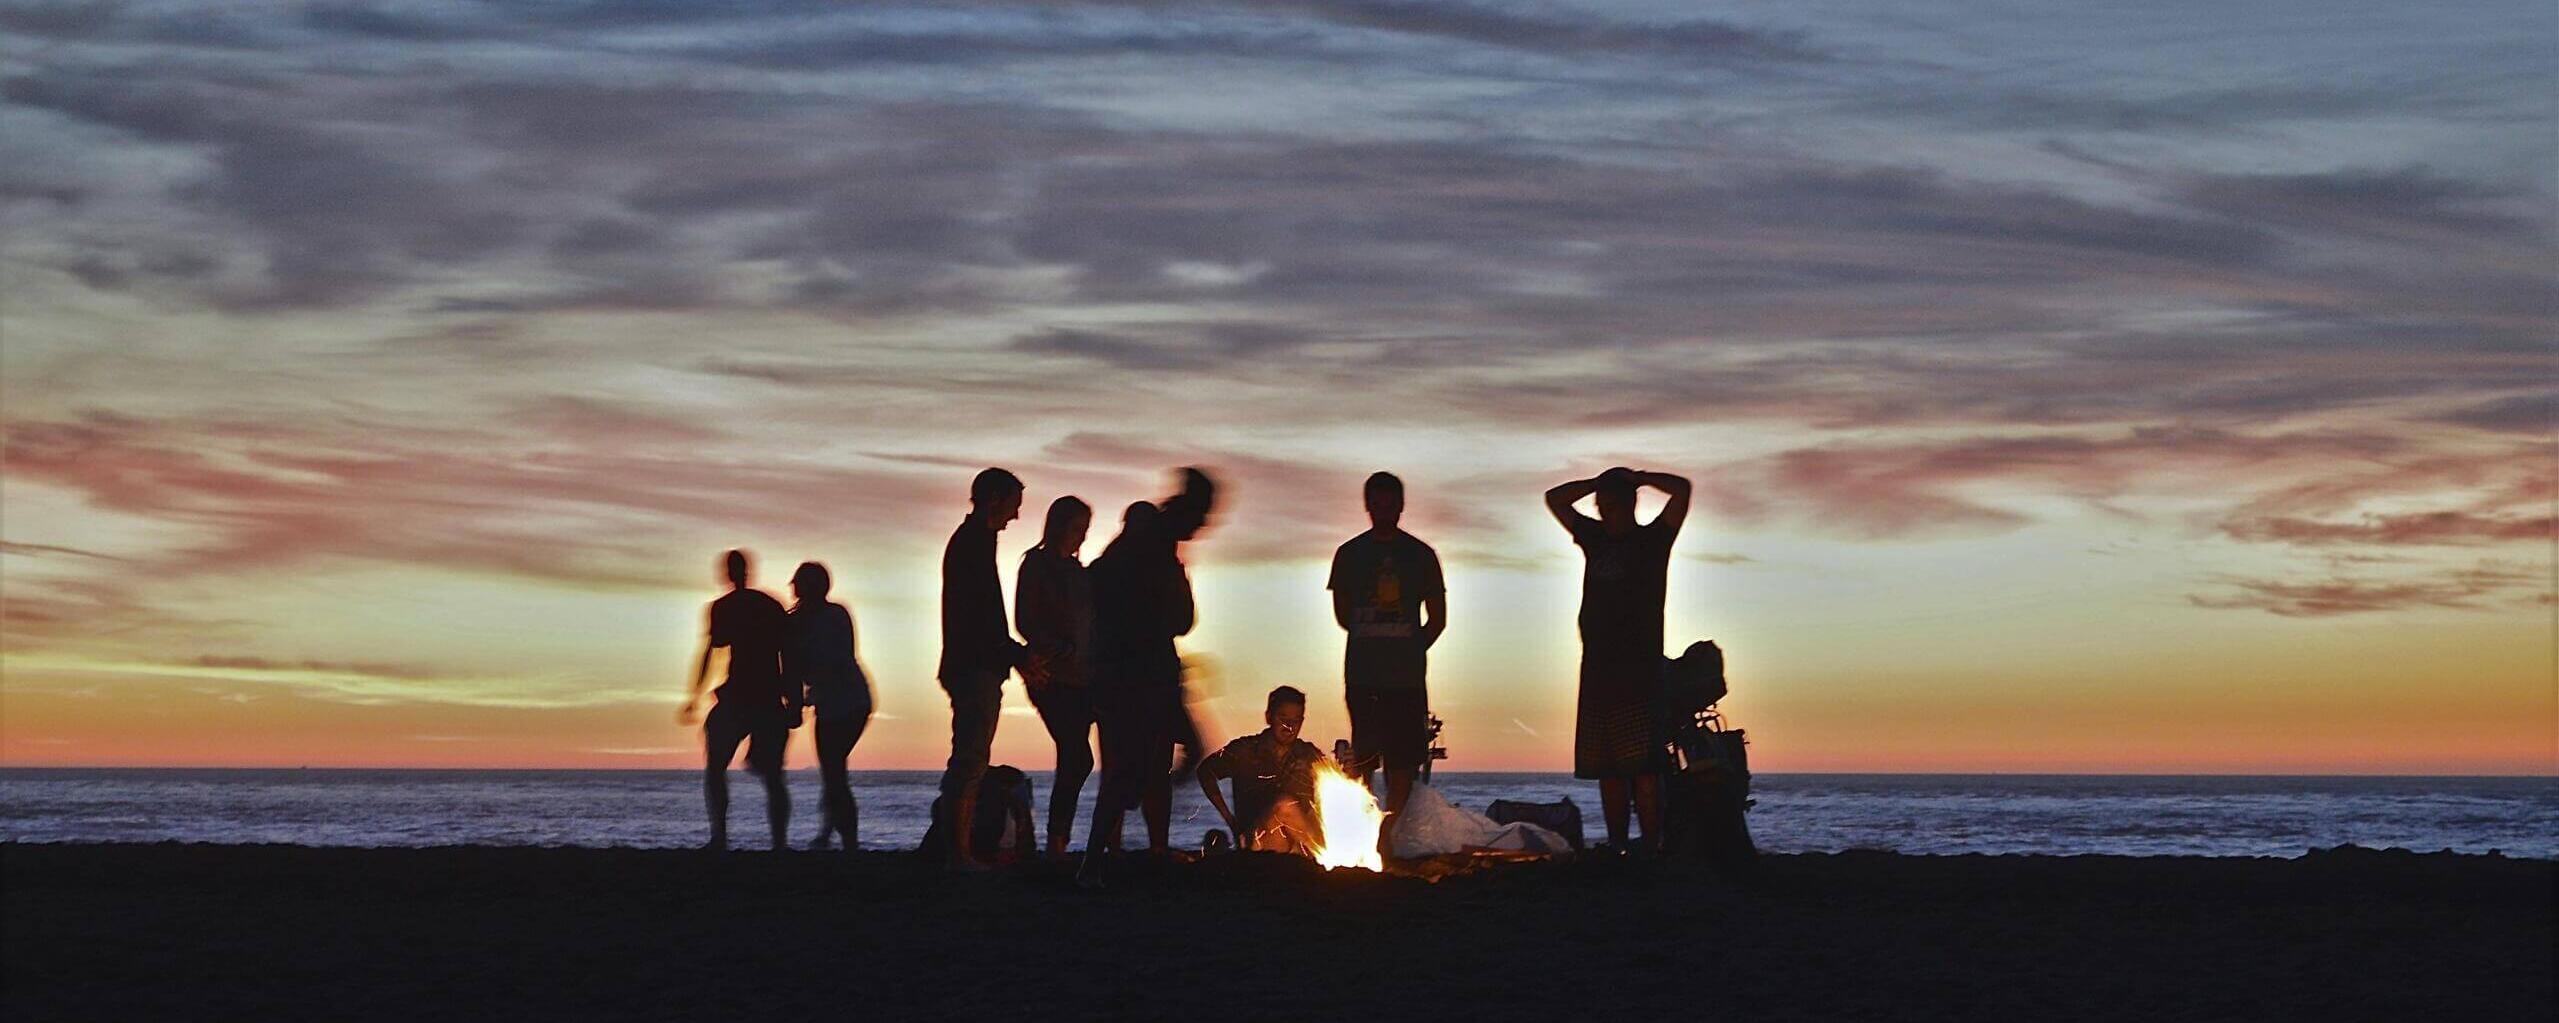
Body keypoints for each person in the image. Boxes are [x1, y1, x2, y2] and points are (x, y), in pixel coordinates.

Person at [1545, 466, 1691, 853]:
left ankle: (1652, 843)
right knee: (1607, 767)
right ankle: (1617, 843)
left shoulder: (1653, 541)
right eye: (1601, 505)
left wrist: (1639, 476)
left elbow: (1682, 491)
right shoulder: (1593, 538)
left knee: (1644, 766)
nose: (1604, 512)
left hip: (1640, 669)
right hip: (1597, 669)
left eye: (1611, 504)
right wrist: (1596, 482)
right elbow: (1554, 499)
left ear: (1629, 504)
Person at [1082, 468, 1216, 880]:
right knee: (1135, 769)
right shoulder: (1154, 547)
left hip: (1134, 672)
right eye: (1203, 516)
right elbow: (1179, 618)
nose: (1205, 526)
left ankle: (1124, 853)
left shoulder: (1141, 546)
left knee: (1148, 765)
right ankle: (1095, 861)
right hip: (1138, 675)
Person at [1326, 471, 1445, 855]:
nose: (1382, 511)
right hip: (1363, 675)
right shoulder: (1349, 554)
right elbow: (1342, 615)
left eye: (1389, 503)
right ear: (1367, 506)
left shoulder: (1421, 555)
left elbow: (1438, 618)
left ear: (1401, 505)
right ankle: (1363, 832)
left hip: (1406, 678)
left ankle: (1389, 839)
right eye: (1376, 504)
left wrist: (1412, 647)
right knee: (1364, 757)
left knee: (1403, 761)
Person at [938, 468, 1036, 869]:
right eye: (1013, 505)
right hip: (974, 665)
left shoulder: (975, 542)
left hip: (974, 663)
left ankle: (953, 848)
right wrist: (1015, 654)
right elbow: (982, 617)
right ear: (995, 498)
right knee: (971, 759)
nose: (1015, 516)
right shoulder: (973, 543)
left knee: (969, 756)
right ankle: (956, 853)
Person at [679, 549, 795, 851]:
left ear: (728, 574)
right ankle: (774, 843)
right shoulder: (769, 605)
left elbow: (711, 651)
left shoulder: (726, 607)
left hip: (747, 696)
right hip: (762, 696)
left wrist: (694, 694)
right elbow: (789, 655)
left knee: (720, 768)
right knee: (769, 775)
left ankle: (721, 836)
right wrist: (792, 698)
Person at [1016, 495, 1096, 857]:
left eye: (1085, 530)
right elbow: (1024, 620)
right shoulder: (1036, 564)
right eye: (1076, 528)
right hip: (1050, 675)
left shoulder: (1080, 574)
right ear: (1059, 526)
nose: (1080, 537)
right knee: (1077, 756)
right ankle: (1056, 842)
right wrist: (1057, 647)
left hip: (1084, 677)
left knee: (1078, 756)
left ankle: (1060, 842)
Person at [786, 561, 873, 851]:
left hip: (848, 701)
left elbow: (835, 659)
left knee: (834, 771)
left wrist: (801, 701)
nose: (793, 588)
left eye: (798, 582)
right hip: (833, 701)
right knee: (833, 770)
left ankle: (847, 840)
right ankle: (829, 832)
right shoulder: (802, 620)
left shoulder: (832, 616)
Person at [1196, 686, 1326, 856]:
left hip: (1300, 844)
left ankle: (1322, 855)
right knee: (1285, 806)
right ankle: (1328, 858)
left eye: (1296, 721)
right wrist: (1231, 821)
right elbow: (1205, 771)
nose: (1289, 726)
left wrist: (1348, 765)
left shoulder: (1308, 754)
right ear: (1269, 717)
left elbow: (1340, 785)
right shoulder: (1245, 751)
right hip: (1260, 842)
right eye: (1283, 718)